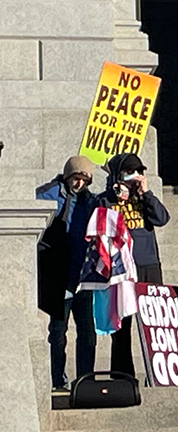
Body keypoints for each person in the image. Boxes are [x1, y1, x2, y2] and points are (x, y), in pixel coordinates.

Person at [97, 152, 170, 377]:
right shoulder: (105, 199)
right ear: (118, 175)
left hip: (148, 264)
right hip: (122, 270)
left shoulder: (143, 198)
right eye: (130, 172)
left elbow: (162, 218)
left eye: (138, 172)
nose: (135, 176)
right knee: (123, 324)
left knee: (157, 320)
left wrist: (146, 192)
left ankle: (162, 373)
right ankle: (122, 374)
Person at [36, 156, 98, 391]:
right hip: (59, 275)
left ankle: (85, 379)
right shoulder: (51, 193)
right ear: (67, 176)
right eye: (76, 178)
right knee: (58, 333)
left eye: (84, 179)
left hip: (82, 277)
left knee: (87, 332)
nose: (79, 183)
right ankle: (57, 379)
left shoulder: (90, 201)